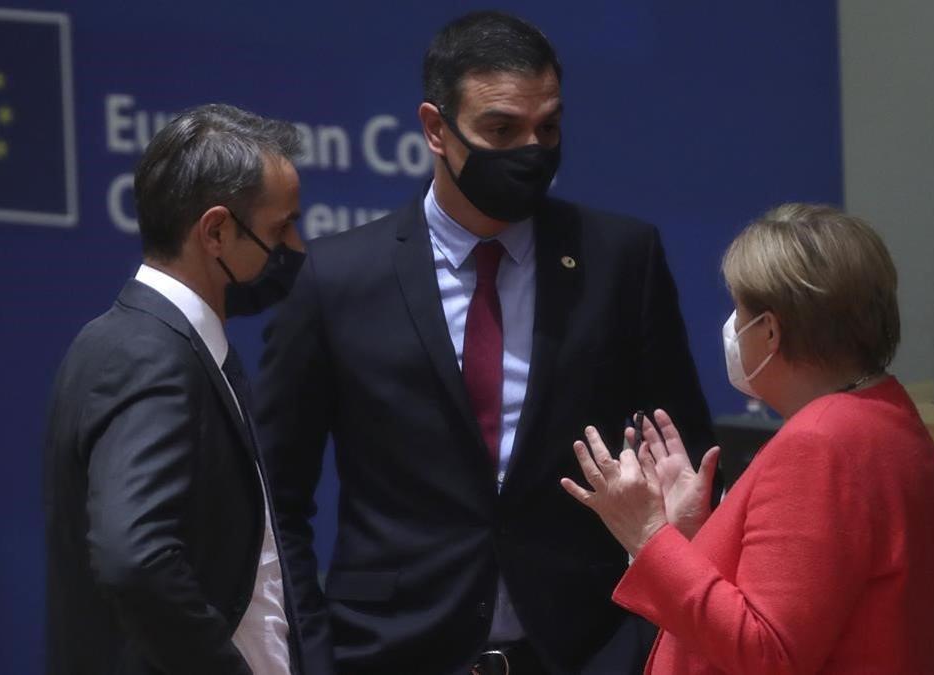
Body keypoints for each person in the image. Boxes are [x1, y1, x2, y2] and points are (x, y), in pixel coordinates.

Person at [255, 10, 715, 675]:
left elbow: (685, 460)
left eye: (548, 128)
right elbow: (276, 501)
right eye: (502, 129)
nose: (532, 149)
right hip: (389, 652)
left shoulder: (621, 261)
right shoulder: (337, 279)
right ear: (435, 128)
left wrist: (642, 643)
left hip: (584, 652)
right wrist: (316, 655)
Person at [564, 203, 934, 674]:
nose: (732, 325)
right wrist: (691, 540)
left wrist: (647, 536)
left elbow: (767, 655)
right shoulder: (884, 413)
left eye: (739, 309)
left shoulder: (819, 445)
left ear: (769, 331)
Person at [44, 104, 308, 674]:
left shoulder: (150, 342)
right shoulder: (149, 354)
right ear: (216, 231)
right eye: (280, 228)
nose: (298, 246)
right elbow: (134, 558)